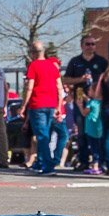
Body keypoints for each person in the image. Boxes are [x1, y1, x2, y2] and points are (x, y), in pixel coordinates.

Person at [64, 36, 108, 171]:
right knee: (82, 132)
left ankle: (99, 160)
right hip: (80, 98)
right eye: (87, 44)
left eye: (93, 44)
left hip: (97, 100)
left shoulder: (101, 61)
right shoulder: (75, 61)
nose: (90, 46)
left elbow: (108, 78)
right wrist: (80, 79)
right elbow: (65, 79)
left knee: (98, 131)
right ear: (82, 46)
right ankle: (83, 161)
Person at [20, 39, 64, 174]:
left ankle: (48, 165)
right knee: (46, 134)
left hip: (37, 104)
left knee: (42, 136)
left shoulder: (33, 65)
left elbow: (29, 88)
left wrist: (23, 106)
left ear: (33, 53)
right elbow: (59, 87)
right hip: (51, 105)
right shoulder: (52, 66)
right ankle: (40, 163)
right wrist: (58, 106)